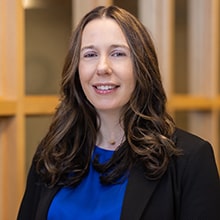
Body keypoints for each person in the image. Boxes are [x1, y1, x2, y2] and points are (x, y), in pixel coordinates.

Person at [17, 5, 220, 220]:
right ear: (76, 70)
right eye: (90, 54)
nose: (102, 67)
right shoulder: (52, 152)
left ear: (142, 67)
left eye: (117, 53)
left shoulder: (190, 159)